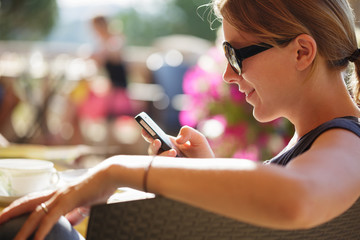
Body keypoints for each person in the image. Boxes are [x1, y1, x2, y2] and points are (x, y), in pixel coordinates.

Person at [1, 0, 360, 239]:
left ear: (301, 52)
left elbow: (299, 199)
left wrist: (119, 169)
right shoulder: (319, 142)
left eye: (235, 55)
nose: (227, 76)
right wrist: (205, 171)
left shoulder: (348, 143)